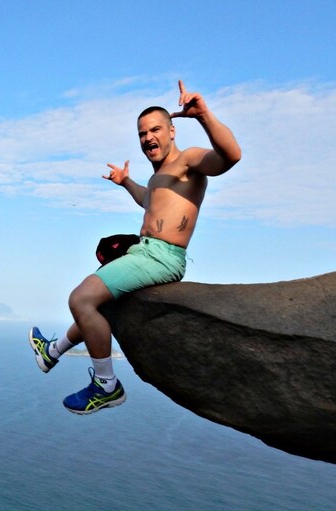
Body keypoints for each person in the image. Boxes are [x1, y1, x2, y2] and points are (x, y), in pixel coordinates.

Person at [29, 80, 242, 415]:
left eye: (155, 130)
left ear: (172, 130)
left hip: (161, 255)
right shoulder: (160, 176)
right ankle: (52, 352)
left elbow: (231, 156)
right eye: (142, 134)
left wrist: (203, 116)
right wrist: (125, 181)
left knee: (80, 298)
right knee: (101, 304)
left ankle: (106, 386)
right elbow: (148, 200)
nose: (148, 139)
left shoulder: (188, 160)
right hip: (144, 251)